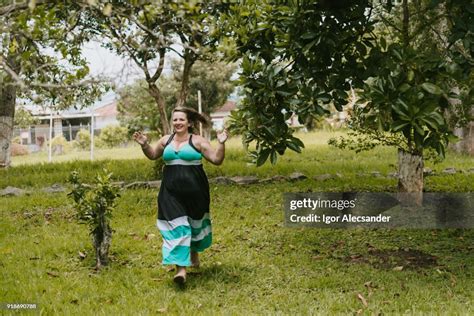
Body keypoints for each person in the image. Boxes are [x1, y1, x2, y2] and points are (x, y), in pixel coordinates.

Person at [133, 106, 228, 284]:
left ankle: (193, 252)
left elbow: (216, 160)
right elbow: (153, 155)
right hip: (170, 192)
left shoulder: (198, 141)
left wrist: (221, 143)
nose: (177, 122)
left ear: (189, 122)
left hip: (196, 191)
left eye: (181, 119)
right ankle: (181, 270)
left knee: (195, 223)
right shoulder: (165, 140)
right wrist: (145, 145)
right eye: (175, 119)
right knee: (177, 227)